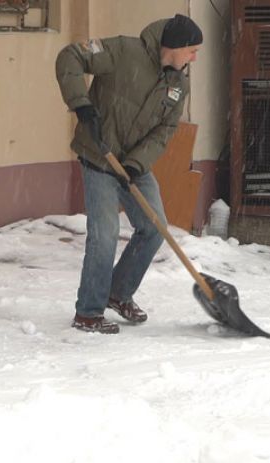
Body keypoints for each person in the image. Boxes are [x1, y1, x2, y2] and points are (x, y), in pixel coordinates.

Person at [55, 14, 203, 334]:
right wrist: (80, 103)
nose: (194, 58)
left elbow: (165, 130)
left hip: (134, 165)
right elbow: (71, 56)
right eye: (192, 50)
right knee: (105, 234)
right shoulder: (124, 51)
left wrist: (136, 163)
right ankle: (88, 312)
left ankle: (118, 293)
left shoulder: (179, 84)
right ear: (175, 46)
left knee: (153, 227)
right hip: (99, 157)